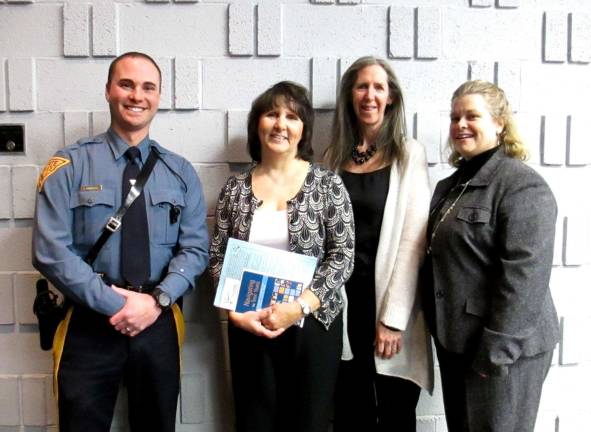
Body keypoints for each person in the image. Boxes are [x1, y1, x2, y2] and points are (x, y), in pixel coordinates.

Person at [32, 52, 209, 432]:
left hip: (158, 320)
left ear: (159, 97)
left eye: (148, 87)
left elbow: (195, 250)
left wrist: (156, 301)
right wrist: (117, 304)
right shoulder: (70, 165)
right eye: (126, 84)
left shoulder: (179, 173)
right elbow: (50, 252)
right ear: (109, 91)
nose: (137, 95)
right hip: (88, 322)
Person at [209, 81, 355, 432]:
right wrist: (233, 313)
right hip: (251, 324)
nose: (280, 124)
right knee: (254, 421)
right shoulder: (235, 189)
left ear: (303, 128)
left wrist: (299, 306)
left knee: (309, 423)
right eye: (271, 114)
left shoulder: (327, 184)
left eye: (292, 116)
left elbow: (343, 255)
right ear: (256, 124)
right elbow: (217, 255)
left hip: (313, 326)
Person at [420, 80, 559, 432]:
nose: (460, 125)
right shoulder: (449, 186)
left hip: (502, 351)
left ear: (499, 122)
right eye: (454, 117)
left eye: (471, 116)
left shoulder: (522, 186)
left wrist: (495, 353)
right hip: (458, 346)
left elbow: (524, 279)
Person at [324, 56, 434, 431]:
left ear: (391, 99)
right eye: (361, 86)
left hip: (389, 304)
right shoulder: (332, 160)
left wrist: (393, 319)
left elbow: (412, 242)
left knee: (395, 415)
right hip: (343, 304)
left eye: (378, 87)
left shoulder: (408, 154)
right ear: (349, 96)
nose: (369, 95)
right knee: (350, 413)